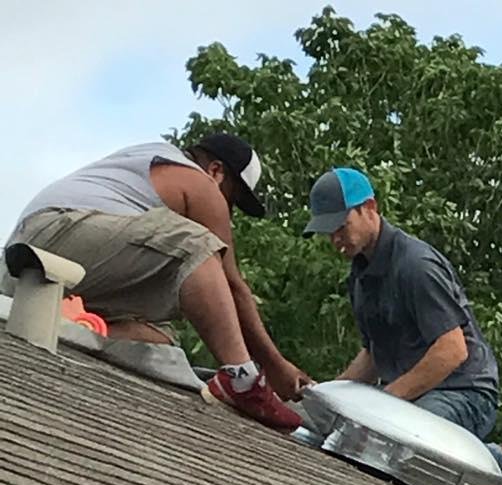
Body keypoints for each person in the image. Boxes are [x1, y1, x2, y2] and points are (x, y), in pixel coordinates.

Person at [0, 134, 310, 432]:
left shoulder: (142, 163)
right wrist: (275, 366)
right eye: (232, 199)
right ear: (216, 171)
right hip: (56, 234)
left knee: (159, 338)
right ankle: (241, 379)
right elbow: (233, 286)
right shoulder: (199, 182)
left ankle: (76, 326)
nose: (227, 213)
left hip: (23, 274)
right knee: (200, 245)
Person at [303, 167, 502, 485]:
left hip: (465, 391)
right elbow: (372, 356)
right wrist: (325, 397)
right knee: (355, 441)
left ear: (369, 208)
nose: (336, 240)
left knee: (407, 449)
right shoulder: (360, 277)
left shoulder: (415, 265)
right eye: (329, 232)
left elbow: (452, 350)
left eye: (342, 226)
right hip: (413, 397)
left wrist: (387, 402)